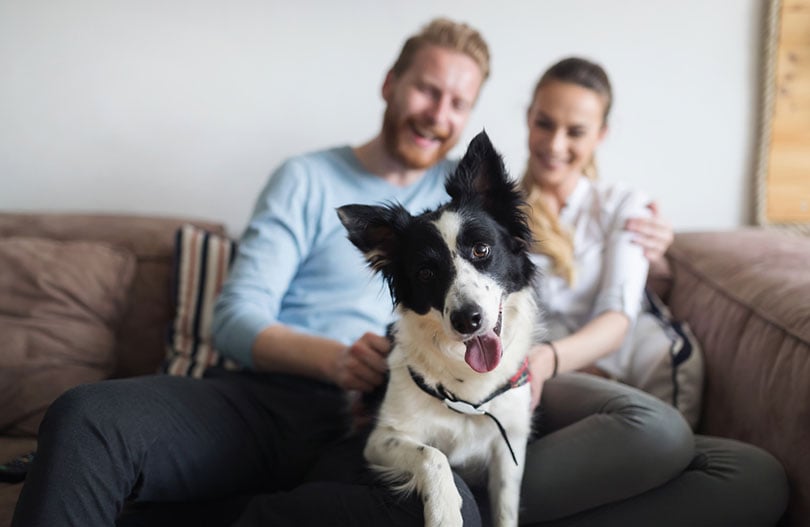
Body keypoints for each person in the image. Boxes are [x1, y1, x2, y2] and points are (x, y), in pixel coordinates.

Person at [7, 18, 713, 527]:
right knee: (87, 416)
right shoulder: (309, 178)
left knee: (447, 511)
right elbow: (235, 315)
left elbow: (539, 233)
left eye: (458, 102)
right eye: (426, 89)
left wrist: (651, 246)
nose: (438, 113)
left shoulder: (464, 202)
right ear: (391, 82)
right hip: (268, 399)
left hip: (388, 425)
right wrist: (336, 358)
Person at [513, 56, 788, 526]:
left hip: (593, 385)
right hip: (539, 388)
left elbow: (617, 319)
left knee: (757, 475)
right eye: (545, 124)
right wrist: (544, 364)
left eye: (575, 131)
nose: (555, 144)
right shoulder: (497, 213)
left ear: (601, 135)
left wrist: (553, 357)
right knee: (657, 432)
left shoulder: (623, 206)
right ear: (528, 118)